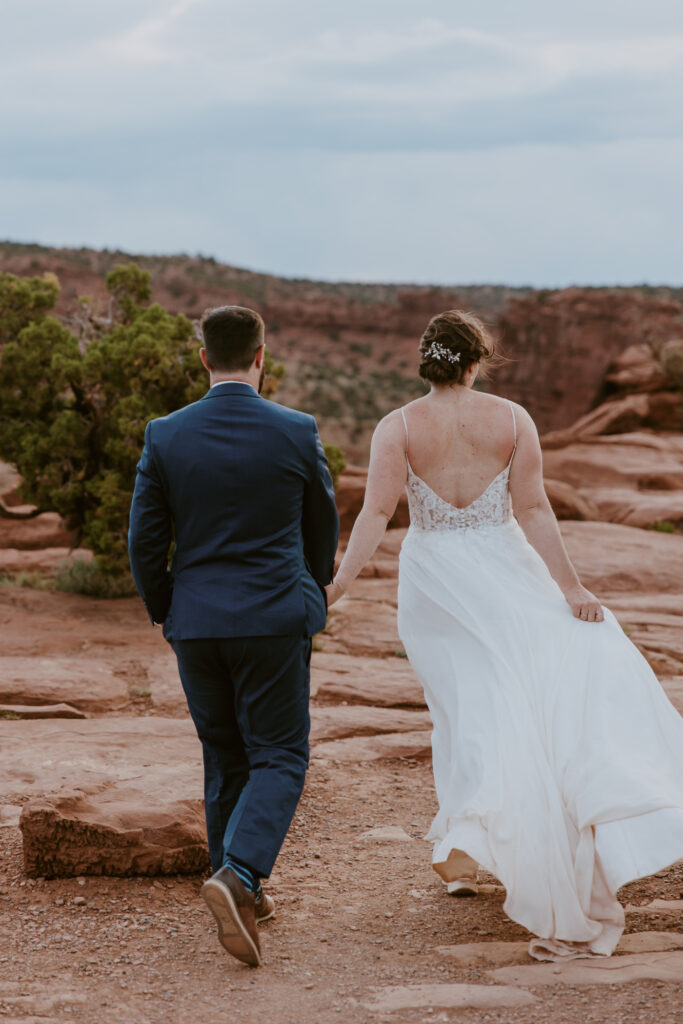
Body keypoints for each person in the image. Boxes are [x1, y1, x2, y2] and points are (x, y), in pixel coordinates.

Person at [327, 309, 683, 962]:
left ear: (426, 361)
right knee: (516, 699)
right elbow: (533, 508)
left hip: (433, 579)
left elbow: (377, 511)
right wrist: (570, 589)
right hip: (505, 568)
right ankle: (477, 842)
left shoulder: (397, 426)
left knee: (463, 708)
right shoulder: (512, 419)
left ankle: (468, 848)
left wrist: (339, 585)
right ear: (476, 360)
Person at [129, 305, 339, 967]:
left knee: (224, 753)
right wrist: (311, 591)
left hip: (196, 621)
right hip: (275, 617)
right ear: (261, 357)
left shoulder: (164, 434)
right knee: (279, 754)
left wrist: (169, 610)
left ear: (202, 359)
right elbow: (321, 529)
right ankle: (240, 873)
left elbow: (144, 541)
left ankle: (238, 886)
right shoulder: (296, 430)